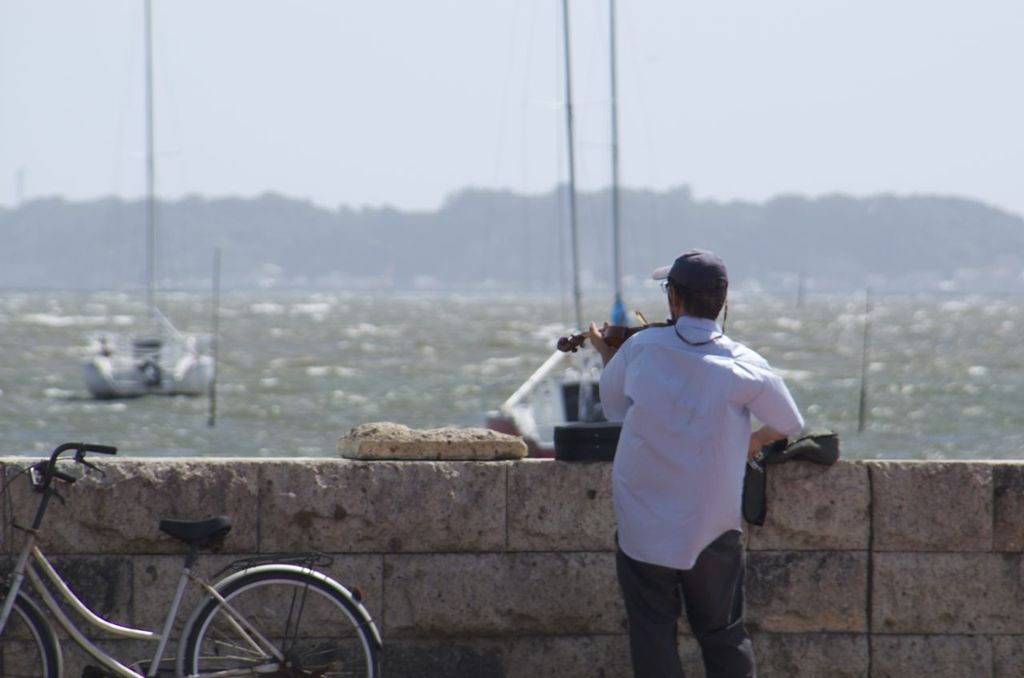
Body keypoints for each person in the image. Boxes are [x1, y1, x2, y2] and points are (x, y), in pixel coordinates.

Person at [588, 249, 803, 678]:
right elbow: (789, 421)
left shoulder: (641, 348)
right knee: (723, 633)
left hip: (643, 521)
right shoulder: (743, 362)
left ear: (674, 301)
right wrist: (754, 439)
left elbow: (613, 407)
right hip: (712, 523)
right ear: (723, 303)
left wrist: (605, 353)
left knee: (652, 631)